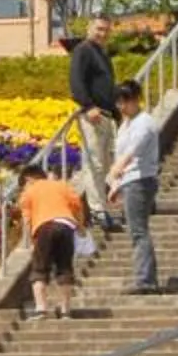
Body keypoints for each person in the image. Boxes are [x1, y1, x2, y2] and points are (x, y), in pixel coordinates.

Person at [14, 159, 91, 320]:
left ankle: (41, 309)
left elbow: (27, 221)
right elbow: (77, 204)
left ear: (29, 179)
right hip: (66, 225)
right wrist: (80, 226)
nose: (23, 188)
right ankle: (65, 310)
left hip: (44, 226)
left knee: (40, 268)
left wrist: (31, 244)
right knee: (65, 267)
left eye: (23, 185)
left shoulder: (29, 192)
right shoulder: (60, 185)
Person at [106, 77, 162, 294]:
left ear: (136, 99)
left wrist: (117, 169)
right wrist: (115, 185)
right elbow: (120, 153)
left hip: (141, 179)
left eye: (125, 102)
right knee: (136, 230)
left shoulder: (145, 122)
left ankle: (146, 280)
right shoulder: (125, 124)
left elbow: (132, 152)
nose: (121, 107)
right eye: (118, 102)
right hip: (129, 180)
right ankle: (146, 278)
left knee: (138, 231)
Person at [65, 22, 120, 217]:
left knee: (105, 164)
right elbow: (76, 80)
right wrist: (87, 106)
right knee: (94, 163)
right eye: (99, 29)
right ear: (89, 29)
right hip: (93, 115)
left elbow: (107, 86)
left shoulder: (102, 54)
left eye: (106, 30)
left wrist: (116, 112)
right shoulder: (83, 50)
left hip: (106, 114)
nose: (102, 34)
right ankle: (97, 209)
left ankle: (103, 206)